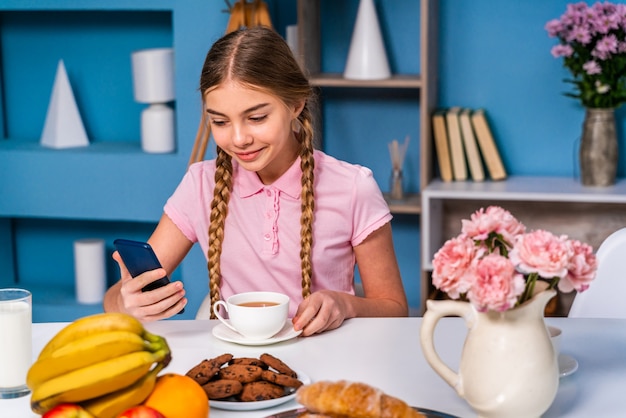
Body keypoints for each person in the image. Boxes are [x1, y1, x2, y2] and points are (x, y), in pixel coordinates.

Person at [104, 26, 408, 336]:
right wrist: (125, 303)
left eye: (257, 117)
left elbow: (394, 309)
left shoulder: (353, 187)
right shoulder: (200, 185)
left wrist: (345, 305)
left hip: (326, 357)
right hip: (234, 364)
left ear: (295, 104)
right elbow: (115, 299)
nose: (238, 139)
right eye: (220, 121)